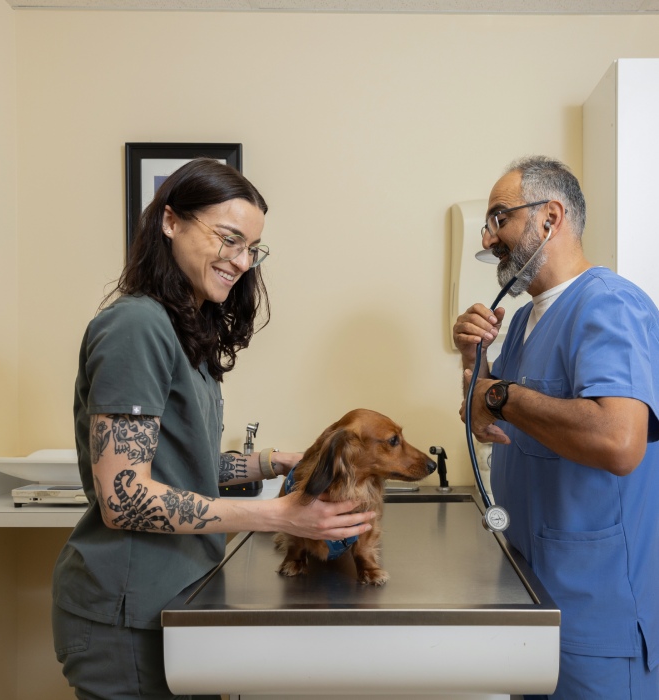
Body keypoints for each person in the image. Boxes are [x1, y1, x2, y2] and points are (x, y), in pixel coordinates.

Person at [52, 157, 375, 700]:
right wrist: (277, 513)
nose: (242, 261)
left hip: (178, 601)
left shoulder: (186, 336)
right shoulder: (137, 326)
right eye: (228, 239)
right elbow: (124, 497)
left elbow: (180, 467)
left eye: (252, 248)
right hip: (126, 613)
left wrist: (267, 463)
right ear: (171, 221)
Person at [453, 156, 659, 700]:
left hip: (596, 616)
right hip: (534, 599)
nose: (489, 236)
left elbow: (618, 441)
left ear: (550, 217)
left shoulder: (609, 305)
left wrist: (497, 393)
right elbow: (491, 424)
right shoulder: (522, 319)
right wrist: (473, 365)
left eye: (500, 218)